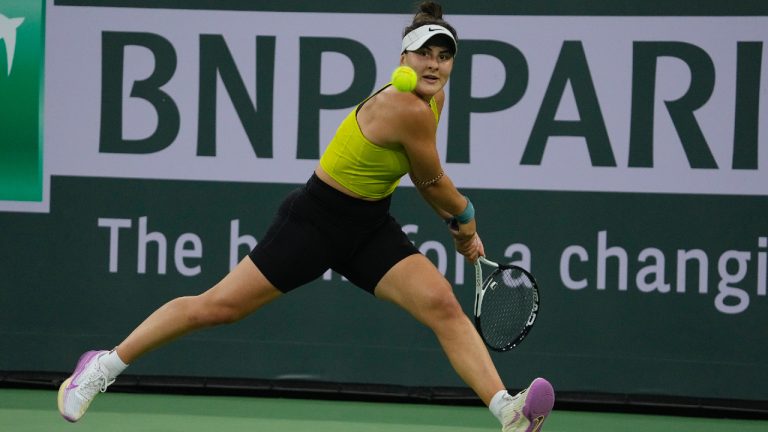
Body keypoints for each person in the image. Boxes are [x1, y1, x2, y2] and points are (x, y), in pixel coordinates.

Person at [57, 2, 555, 431]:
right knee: (217, 308)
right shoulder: (403, 107)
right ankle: (102, 366)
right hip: (315, 222)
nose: (434, 64)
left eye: (444, 57)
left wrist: (456, 224)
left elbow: (423, 181)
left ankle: (507, 411)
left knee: (443, 305)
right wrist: (465, 220)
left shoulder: (433, 98)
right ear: (403, 57)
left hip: (369, 226)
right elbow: (434, 185)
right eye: (424, 53)